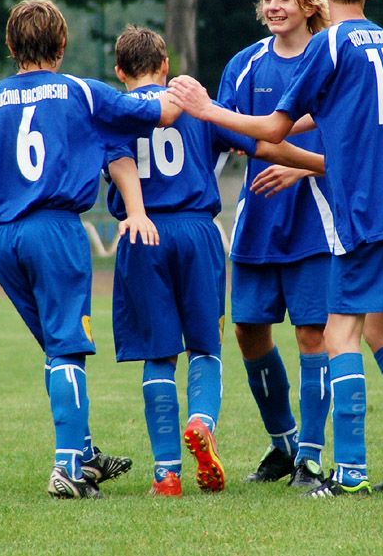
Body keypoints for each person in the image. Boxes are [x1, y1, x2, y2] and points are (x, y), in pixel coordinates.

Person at [170, 0, 383, 498]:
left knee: (339, 332)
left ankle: (350, 473)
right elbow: (325, 120)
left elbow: (271, 129)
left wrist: (205, 109)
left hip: (365, 207)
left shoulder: (332, 44)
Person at [0, 0, 182, 500]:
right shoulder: (79, 91)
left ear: (11, 46)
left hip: (3, 238)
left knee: (56, 351)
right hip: (54, 231)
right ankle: (68, 468)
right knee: (66, 348)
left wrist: (9, 179)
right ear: (62, 44)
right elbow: (158, 110)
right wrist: (188, 96)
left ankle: (87, 452)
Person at [103, 25, 325, 497]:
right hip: (197, 232)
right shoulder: (196, 106)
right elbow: (263, 143)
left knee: (158, 355)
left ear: (119, 72)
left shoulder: (113, 113)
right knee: (205, 345)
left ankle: (166, 474)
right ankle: (202, 421)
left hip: (144, 234)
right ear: (165, 67)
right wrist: (318, 162)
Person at [217, 0, 333, 489]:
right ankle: (283, 443)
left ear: (310, 3)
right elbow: (223, 136)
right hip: (258, 222)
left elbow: (351, 138)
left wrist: (298, 165)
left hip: (316, 221)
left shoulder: (331, 60)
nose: (273, 6)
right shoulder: (244, 66)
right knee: (248, 331)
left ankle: (310, 458)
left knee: (313, 335)